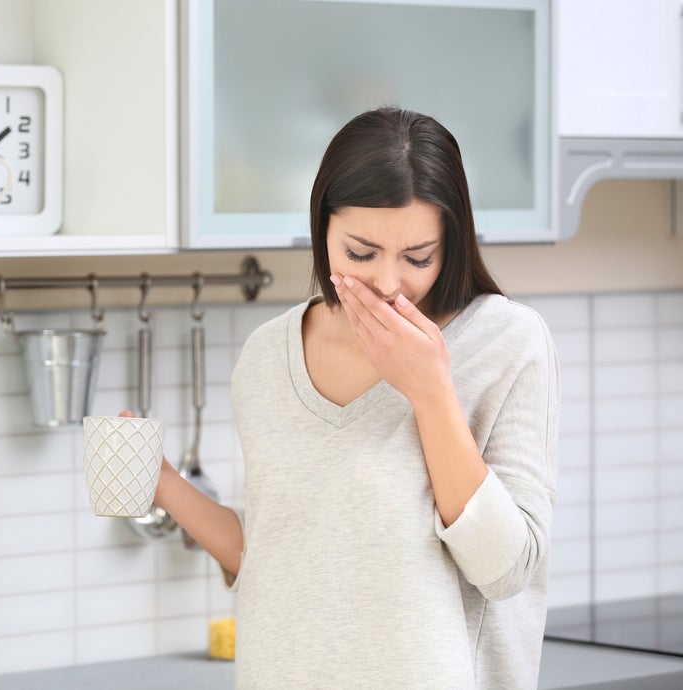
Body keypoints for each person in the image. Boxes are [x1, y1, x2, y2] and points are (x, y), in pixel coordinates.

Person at [128, 107, 559, 688]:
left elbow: (505, 572)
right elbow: (269, 553)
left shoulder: (505, 341)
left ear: (451, 243)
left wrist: (430, 390)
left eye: (417, 257)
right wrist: (158, 481)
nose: (387, 282)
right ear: (321, 228)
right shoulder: (265, 356)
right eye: (360, 253)